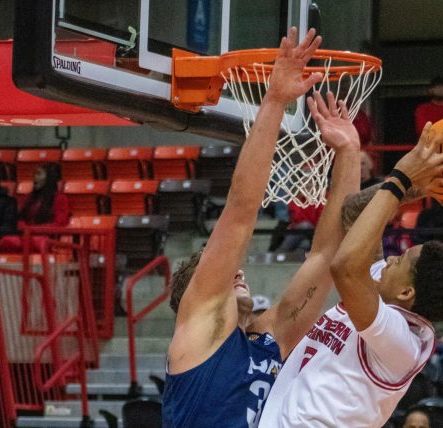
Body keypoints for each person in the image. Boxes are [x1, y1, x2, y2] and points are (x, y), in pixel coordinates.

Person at [163, 28, 363, 427]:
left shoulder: (268, 341)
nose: (237, 270)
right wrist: (274, 101)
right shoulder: (199, 328)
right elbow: (239, 213)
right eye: (219, 268)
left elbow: (325, 256)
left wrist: (349, 153)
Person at [259, 122, 443, 427]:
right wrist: (414, 188)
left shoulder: (402, 341)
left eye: (399, 260)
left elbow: (345, 268)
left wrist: (401, 177)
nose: (390, 260)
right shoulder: (379, 285)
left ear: (406, 293)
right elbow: (354, 211)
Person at [0, 163, 69, 253]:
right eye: (34, 175)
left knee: (34, 242)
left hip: (46, 236)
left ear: (49, 177)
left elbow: (60, 224)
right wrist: (23, 227)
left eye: (39, 174)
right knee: (6, 241)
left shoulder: (59, 198)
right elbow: (19, 218)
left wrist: (34, 230)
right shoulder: (29, 197)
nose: (35, 178)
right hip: (26, 234)